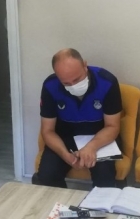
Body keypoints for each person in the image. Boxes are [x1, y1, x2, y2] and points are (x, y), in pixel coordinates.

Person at [35, 48, 122, 188]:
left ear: (85, 65)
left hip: (99, 136)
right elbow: (47, 130)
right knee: (47, 176)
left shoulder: (107, 82)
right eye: (66, 83)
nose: (73, 86)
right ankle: (62, 203)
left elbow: (113, 126)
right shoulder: (50, 86)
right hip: (65, 136)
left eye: (77, 79)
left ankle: (99, 203)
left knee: (104, 176)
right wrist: (65, 155)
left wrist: (91, 147)